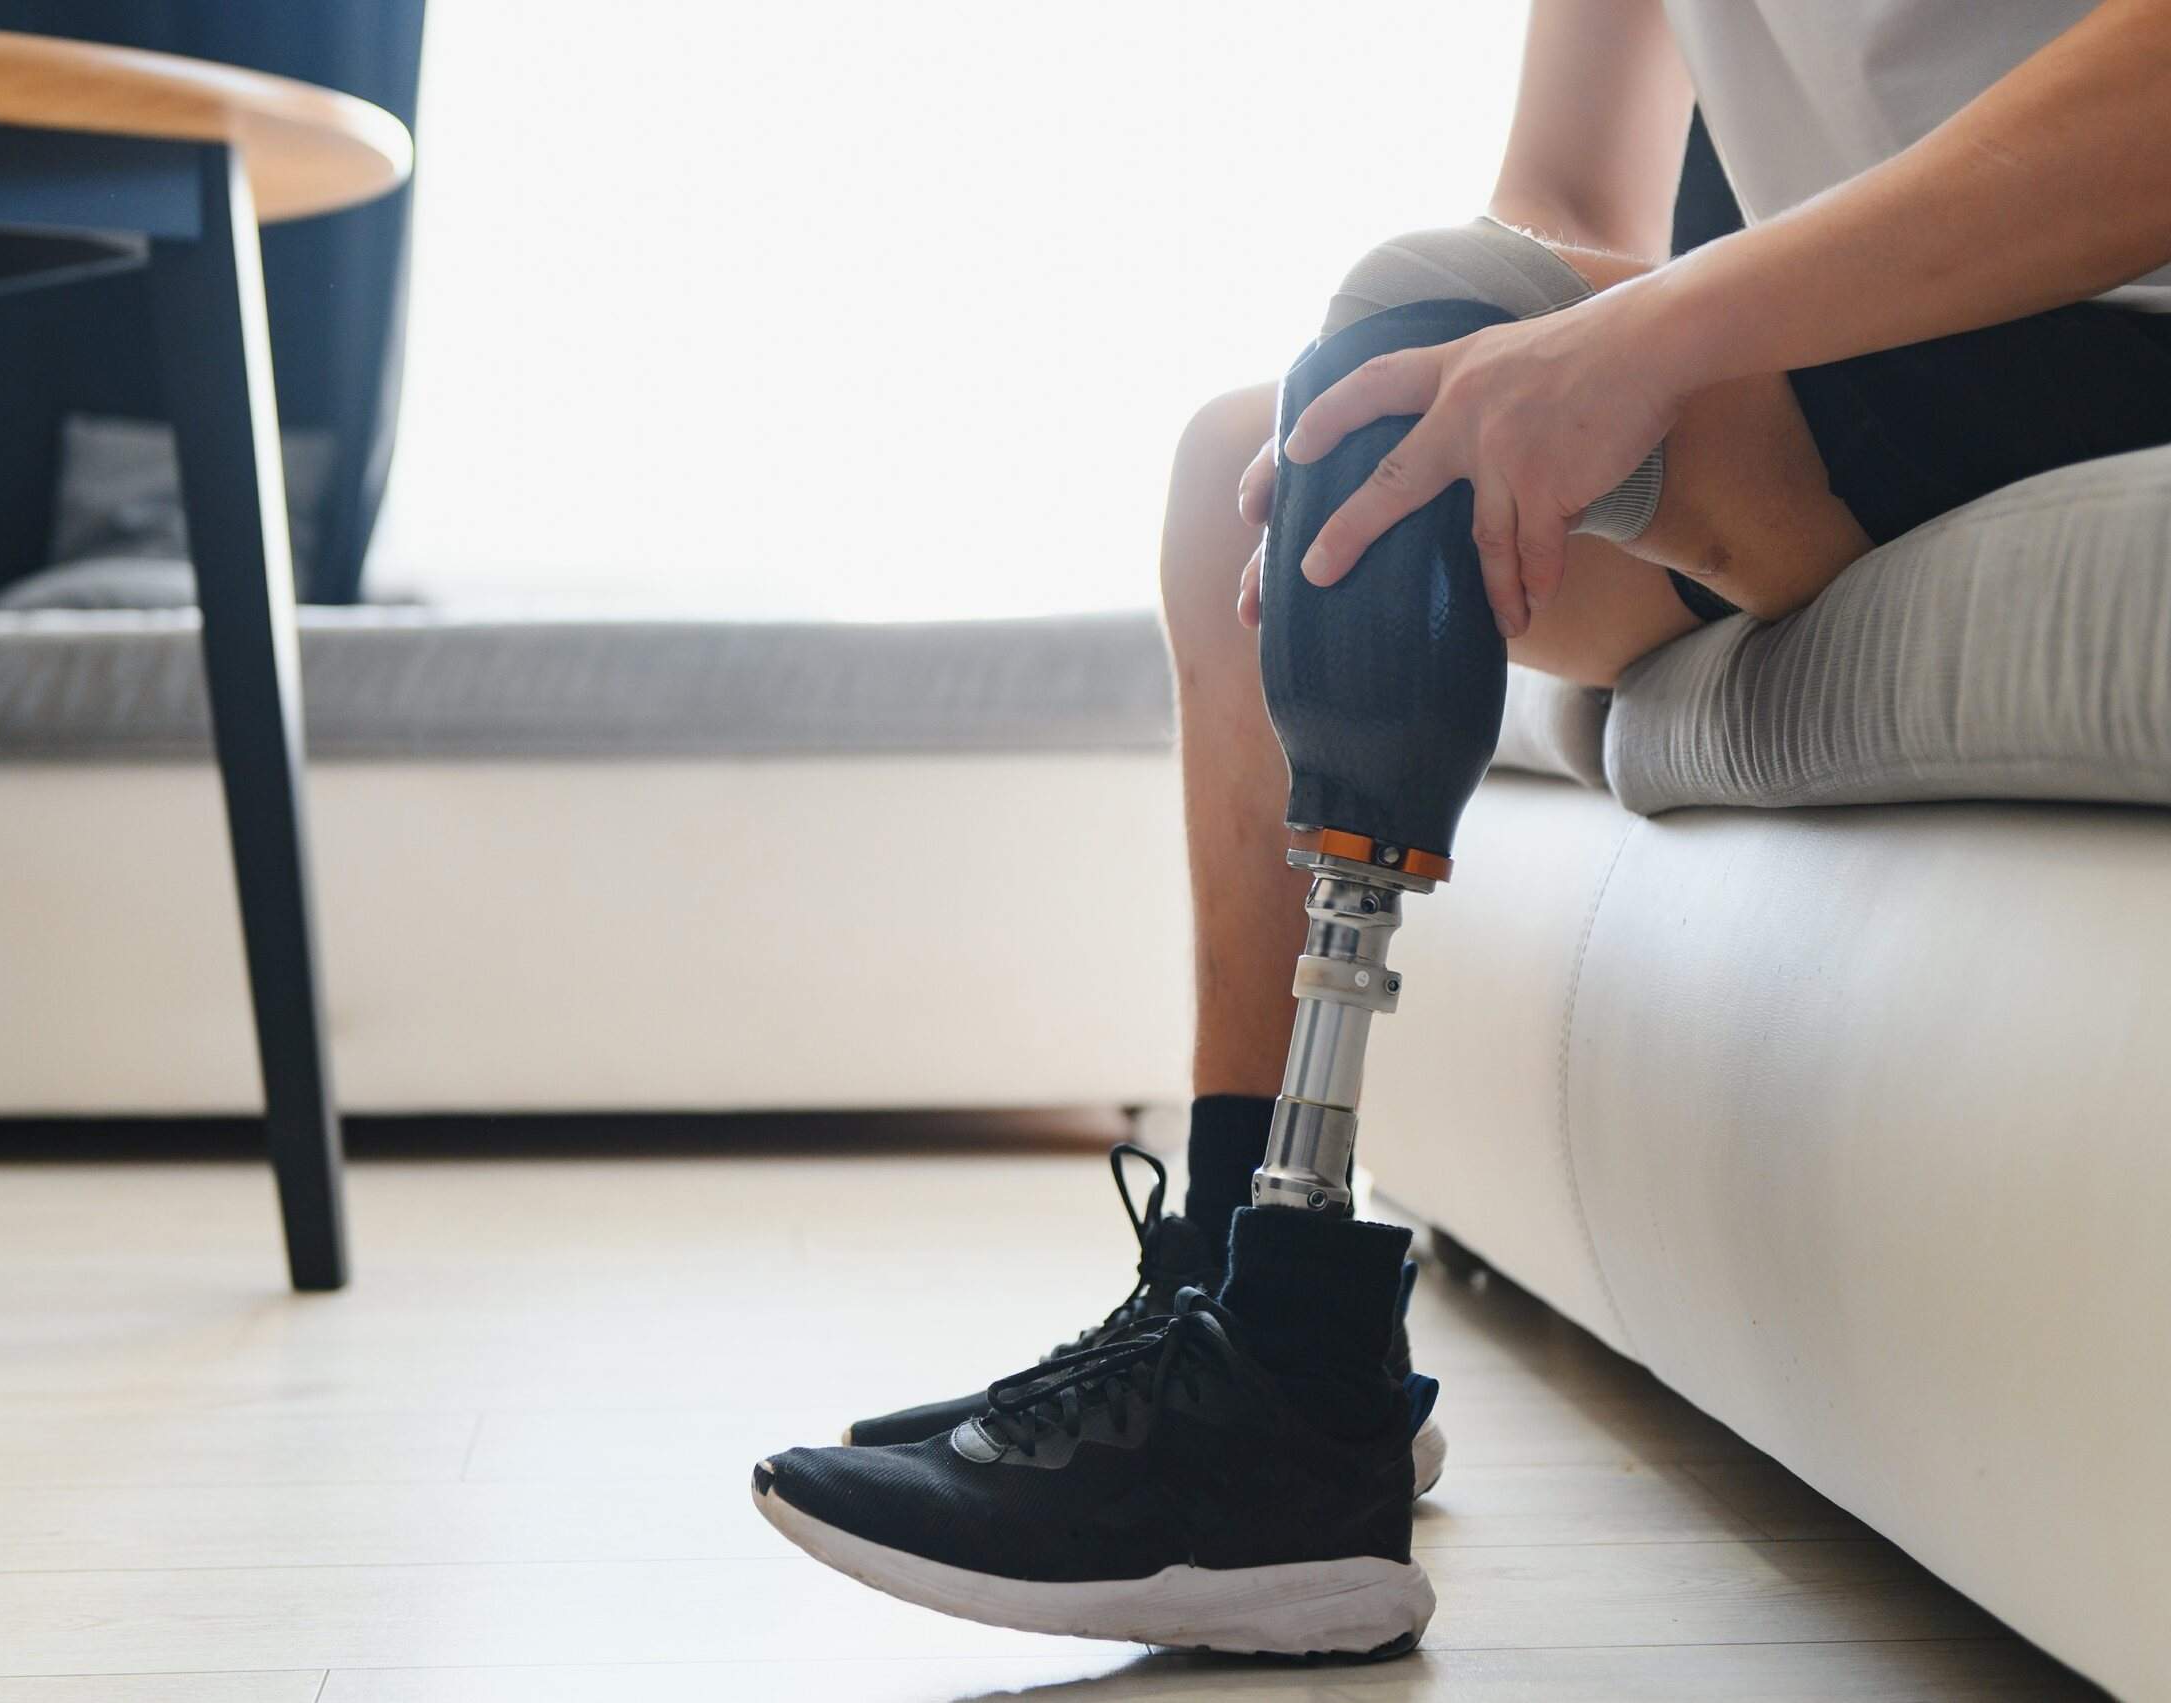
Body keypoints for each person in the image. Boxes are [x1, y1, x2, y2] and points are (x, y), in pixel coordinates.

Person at [753, 0, 2171, 1657]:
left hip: (2107, 318)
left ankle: (1273, 1402)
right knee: (1276, 456)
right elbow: (1565, 189)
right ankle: (1249, 1313)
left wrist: (1641, 337)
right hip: (1843, 367)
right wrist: (1506, 351)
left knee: (1389, 346)